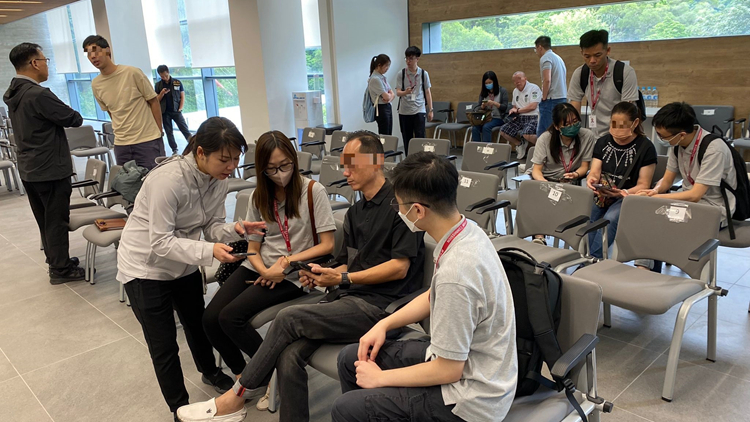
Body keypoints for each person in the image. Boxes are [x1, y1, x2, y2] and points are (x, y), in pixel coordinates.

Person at [176, 131, 426, 422]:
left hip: (380, 309)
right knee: (288, 354)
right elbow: (348, 263)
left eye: (352, 164)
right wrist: (322, 274)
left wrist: (342, 279)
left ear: (377, 161)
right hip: (347, 299)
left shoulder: (402, 206)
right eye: (343, 165)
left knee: (288, 318)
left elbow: (399, 268)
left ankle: (235, 398)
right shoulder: (356, 212)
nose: (345, 172)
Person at [331, 152, 518, 422]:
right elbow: (433, 295)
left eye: (399, 206)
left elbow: (449, 370)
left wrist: (380, 379)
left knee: (346, 407)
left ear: (418, 211)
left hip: (470, 399)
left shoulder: (457, 273)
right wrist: (383, 324)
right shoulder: (466, 231)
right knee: (351, 358)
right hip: (465, 363)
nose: (399, 213)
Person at [116, 117, 266, 421]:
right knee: (164, 345)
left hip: (183, 264)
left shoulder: (218, 180)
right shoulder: (167, 181)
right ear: (200, 153)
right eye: (224, 159)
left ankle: (210, 371)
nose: (231, 167)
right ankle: (180, 409)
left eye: (236, 159)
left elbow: (210, 226)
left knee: (197, 325)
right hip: (145, 268)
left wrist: (236, 229)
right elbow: (160, 242)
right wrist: (209, 251)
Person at [202, 130, 336, 409]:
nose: (279, 174)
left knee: (231, 317)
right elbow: (253, 247)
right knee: (210, 318)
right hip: (261, 267)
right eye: (271, 169)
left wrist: (285, 264)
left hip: (295, 272)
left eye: (285, 165)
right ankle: (245, 376)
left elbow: (327, 245)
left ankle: (270, 372)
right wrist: (263, 270)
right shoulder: (258, 197)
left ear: (294, 160)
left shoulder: (313, 191)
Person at [3, 42, 85, 283]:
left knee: (44, 219)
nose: (47, 65)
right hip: (50, 168)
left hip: (29, 167)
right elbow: (74, 118)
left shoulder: (13, 92)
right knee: (56, 219)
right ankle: (61, 270)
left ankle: (56, 260)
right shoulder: (38, 94)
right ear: (34, 63)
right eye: (45, 60)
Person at [640, 102, 736, 226]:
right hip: (687, 201)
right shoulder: (677, 144)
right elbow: (667, 180)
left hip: (713, 206)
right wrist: (654, 191)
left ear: (682, 135)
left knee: (665, 225)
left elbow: (695, 195)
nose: (661, 139)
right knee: (648, 217)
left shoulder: (714, 149)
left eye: (662, 136)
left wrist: (655, 198)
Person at [586, 102, 656, 260]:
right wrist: (592, 180)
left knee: (610, 218)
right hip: (603, 194)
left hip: (629, 196)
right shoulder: (603, 142)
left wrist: (622, 192)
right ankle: (588, 256)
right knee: (589, 216)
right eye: (614, 124)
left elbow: (644, 185)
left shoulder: (646, 147)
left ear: (635, 123)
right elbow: (595, 171)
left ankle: (594, 260)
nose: (617, 130)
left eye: (622, 126)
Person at [84, 35, 164, 169]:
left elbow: (154, 101)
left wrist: (159, 132)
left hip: (147, 140)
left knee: (154, 179)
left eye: (96, 51)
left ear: (108, 51)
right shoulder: (96, 84)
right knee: (126, 181)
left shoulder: (132, 73)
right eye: (88, 54)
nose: (93, 57)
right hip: (121, 144)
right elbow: (111, 112)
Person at [530, 102, 596, 246]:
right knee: (539, 198)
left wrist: (576, 174)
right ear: (556, 126)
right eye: (567, 124)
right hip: (546, 179)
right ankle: (539, 238)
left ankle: (572, 240)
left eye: (575, 121)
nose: (572, 126)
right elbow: (536, 170)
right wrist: (546, 184)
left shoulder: (587, 136)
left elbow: (585, 166)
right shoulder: (545, 139)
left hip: (570, 181)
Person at [567, 30, 639, 140]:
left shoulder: (624, 72)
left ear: (607, 51)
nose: (592, 61)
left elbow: (627, 111)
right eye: (587, 56)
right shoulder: (580, 73)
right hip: (594, 135)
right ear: (582, 53)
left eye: (597, 55)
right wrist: (573, 132)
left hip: (618, 135)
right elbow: (574, 103)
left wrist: (615, 139)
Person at [396, 46, 433, 155]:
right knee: (407, 138)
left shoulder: (423, 74)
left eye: (411, 59)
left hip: (419, 109)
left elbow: (427, 92)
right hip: (404, 110)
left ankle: (421, 160)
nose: (408, 61)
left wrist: (430, 110)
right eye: (406, 58)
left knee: (420, 138)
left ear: (417, 59)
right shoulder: (401, 74)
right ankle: (409, 160)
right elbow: (398, 92)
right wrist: (405, 92)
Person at [498, 71, 542, 159]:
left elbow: (533, 106)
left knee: (526, 134)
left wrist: (518, 110)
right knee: (503, 131)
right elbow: (515, 106)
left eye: (519, 79)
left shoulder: (534, 88)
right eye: (514, 81)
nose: (517, 82)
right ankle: (519, 144)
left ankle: (543, 148)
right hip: (519, 116)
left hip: (533, 116)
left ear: (525, 79)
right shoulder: (515, 91)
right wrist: (513, 111)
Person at [534, 36, 568, 138]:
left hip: (551, 100)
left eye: (535, 49)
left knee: (545, 134)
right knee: (558, 130)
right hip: (562, 98)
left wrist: (544, 97)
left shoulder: (545, 58)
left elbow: (547, 80)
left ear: (540, 47)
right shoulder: (558, 58)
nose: (536, 52)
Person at [155, 65, 192, 155]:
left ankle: (192, 145)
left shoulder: (176, 82)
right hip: (165, 112)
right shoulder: (158, 85)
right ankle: (174, 149)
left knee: (184, 128)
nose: (164, 78)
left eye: (165, 75)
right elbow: (156, 100)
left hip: (176, 111)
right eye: (162, 76)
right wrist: (162, 93)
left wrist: (180, 108)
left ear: (168, 72)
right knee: (169, 132)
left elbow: (182, 96)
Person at [472, 70, 509, 143]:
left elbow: (504, 107)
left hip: (498, 117)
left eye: (490, 82)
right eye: (486, 83)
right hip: (485, 117)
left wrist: (494, 103)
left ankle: (486, 148)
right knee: (475, 128)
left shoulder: (502, 91)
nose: (488, 85)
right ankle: (477, 147)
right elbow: (477, 107)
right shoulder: (483, 93)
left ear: (494, 82)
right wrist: (482, 106)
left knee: (486, 127)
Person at [368, 54, 395, 135]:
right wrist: (389, 97)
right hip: (381, 108)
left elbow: (392, 94)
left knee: (389, 133)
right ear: (379, 65)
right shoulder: (375, 79)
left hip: (387, 106)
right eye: (386, 66)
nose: (387, 68)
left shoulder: (382, 77)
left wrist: (389, 98)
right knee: (385, 134)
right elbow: (387, 96)